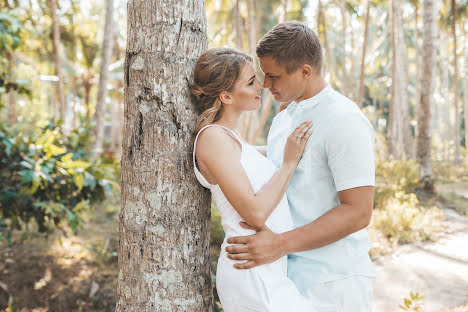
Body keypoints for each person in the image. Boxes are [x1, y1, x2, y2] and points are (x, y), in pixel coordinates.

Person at [225, 21, 376, 311]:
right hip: (287, 277)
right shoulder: (284, 117)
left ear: (305, 71)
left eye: (273, 76)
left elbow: (358, 212)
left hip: (335, 282)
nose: (265, 85)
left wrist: (280, 244)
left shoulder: (345, 120)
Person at [191, 47, 331, 311]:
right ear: (226, 96)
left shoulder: (233, 141)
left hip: (268, 268)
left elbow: (275, 156)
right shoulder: (212, 138)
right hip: (250, 271)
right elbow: (255, 213)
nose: (263, 85)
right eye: (251, 81)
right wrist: (289, 163)